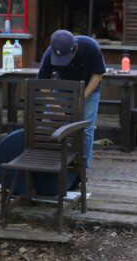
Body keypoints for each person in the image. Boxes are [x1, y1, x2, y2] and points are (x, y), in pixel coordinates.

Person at [38, 29, 106, 170]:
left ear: (75, 48)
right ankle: (49, 162)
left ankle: (82, 169)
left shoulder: (91, 47)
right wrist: (55, 106)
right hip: (63, 86)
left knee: (86, 127)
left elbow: (98, 75)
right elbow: (42, 84)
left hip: (89, 88)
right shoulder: (50, 53)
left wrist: (82, 98)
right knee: (49, 122)